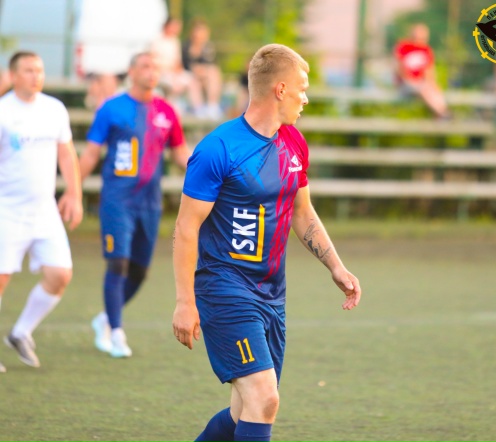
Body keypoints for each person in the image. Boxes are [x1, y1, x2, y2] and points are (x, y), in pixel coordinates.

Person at [172, 44, 361, 441]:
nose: (305, 98)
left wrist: (336, 266)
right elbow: (186, 227)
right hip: (224, 288)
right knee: (264, 398)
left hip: (272, 294)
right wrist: (185, 302)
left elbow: (303, 213)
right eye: (302, 89)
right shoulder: (218, 148)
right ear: (280, 89)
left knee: (244, 411)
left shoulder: (294, 143)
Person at [79, 52, 190, 359]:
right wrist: (72, 190)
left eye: (155, 66)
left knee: (140, 271)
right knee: (118, 263)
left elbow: (180, 153)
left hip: (150, 204)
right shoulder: (112, 108)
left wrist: (211, 176)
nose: (151, 71)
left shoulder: (166, 111)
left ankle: (105, 318)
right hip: (118, 201)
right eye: (144, 66)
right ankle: (116, 332)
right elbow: (91, 153)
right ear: (131, 71)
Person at [0, 51, 83, 372]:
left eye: (40, 70)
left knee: (60, 275)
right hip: (7, 209)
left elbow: (66, 153)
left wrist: (74, 193)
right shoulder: (4, 111)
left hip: (44, 209)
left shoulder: (54, 109)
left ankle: (20, 332)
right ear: (13, 75)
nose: (36, 75)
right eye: (28, 70)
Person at [394, 23, 450, 119]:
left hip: (421, 84)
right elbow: (400, 69)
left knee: (433, 90)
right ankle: (443, 114)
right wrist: (414, 82)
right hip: (406, 84)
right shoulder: (403, 47)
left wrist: (432, 84)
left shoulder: (426, 50)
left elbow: (429, 71)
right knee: (424, 89)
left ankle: (442, 113)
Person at [151, 17, 204, 116]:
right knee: (173, 85)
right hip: (162, 73)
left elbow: (178, 62)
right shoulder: (157, 41)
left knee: (191, 80)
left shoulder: (175, 41)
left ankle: (198, 109)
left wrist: (177, 72)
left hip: (174, 72)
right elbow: (154, 62)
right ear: (167, 26)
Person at [182, 18, 224, 120]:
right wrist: (196, 69)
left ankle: (212, 106)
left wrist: (202, 71)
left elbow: (210, 63)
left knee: (213, 73)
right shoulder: (186, 46)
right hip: (190, 74)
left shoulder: (208, 47)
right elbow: (185, 64)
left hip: (205, 75)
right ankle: (199, 109)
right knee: (193, 81)